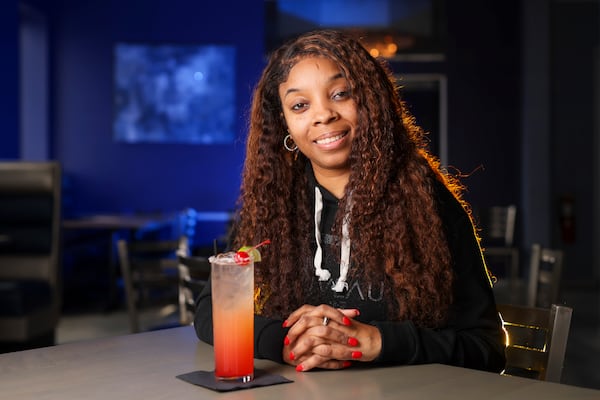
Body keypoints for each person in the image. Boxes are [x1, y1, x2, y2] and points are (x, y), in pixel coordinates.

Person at [194, 29, 506, 373]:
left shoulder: (428, 203)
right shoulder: (273, 206)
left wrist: (376, 342)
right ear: (284, 124)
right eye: (300, 105)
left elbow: (487, 348)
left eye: (341, 94)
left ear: (370, 103)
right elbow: (211, 310)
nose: (323, 114)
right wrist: (285, 342)